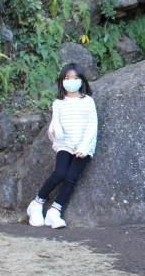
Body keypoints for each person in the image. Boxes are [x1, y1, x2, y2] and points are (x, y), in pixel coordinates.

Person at [26, 63, 98, 228]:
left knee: (71, 177)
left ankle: (54, 212)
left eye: (75, 78)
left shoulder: (88, 101)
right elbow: (55, 123)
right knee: (59, 173)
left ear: (81, 80)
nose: (71, 81)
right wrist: (53, 130)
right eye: (67, 78)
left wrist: (84, 146)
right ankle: (36, 204)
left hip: (84, 146)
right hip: (64, 144)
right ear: (62, 81)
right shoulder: (58, 103)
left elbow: (92, 125)